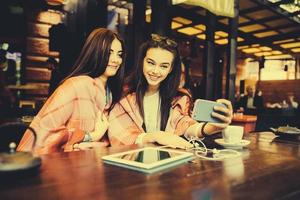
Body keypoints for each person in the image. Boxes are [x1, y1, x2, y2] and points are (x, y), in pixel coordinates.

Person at [108, 34, 233, 149]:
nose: (155, 71)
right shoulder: (123, 94)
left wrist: (211, 128)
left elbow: (185, 125)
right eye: (151, 63)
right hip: (129, 165)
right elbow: (119, 135)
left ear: (170, 69)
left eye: (163, 66)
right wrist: (157, 136)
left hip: (165, 164)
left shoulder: (177, 98)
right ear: (142, 62)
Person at [17, 28, 126, 154]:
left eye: (119, 54)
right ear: (95, 53)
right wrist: (89, 137)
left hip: (97, 166)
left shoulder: (113, 94)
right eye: (109, 53)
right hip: (64, 167)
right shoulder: (76, 86)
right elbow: (44, 134)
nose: (116, 60)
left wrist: (99, 146)